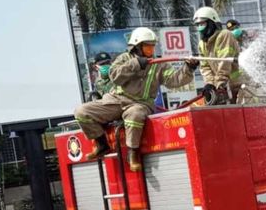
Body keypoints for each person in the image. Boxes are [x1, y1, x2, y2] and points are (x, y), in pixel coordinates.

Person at [74, 27, 199, 172]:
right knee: (82, 112)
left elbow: (174, 81)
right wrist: (135, 64)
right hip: (116, 100)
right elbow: (114, 75)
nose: (150, 49)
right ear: (137, 46)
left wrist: (188, 68)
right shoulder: (123, 59)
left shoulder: (159, 64)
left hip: (141, 103)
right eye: (147, 46)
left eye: (152, 46)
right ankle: (101, 143)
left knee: (135, 114)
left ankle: (132, 153)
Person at [194, 7, 240, 105]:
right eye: (197, 25)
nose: (200, 29)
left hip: (239, 85)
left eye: (202, 24)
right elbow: (205, 67)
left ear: (211, 23)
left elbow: (225, 61)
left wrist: (219, 83)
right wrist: (210, 84)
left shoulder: (224, 35)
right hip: (223, 87)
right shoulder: (202, 44)